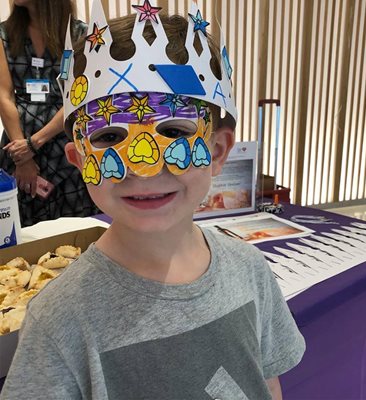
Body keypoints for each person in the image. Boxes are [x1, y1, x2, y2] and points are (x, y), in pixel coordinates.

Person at [0, 1, 305, 399]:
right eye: (109, 137)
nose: (143, 167)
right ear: (77, 159)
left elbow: (266, 384)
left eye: (175, 132)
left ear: (217, 152)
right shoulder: (58, 319)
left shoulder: (250, 270)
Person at [0, 0, 98, 227]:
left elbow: (78, 95)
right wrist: (22, 155)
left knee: (74, 224)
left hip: (65, 141)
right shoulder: (5, 34)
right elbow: (4, 96)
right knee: (23, 226)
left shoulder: (81, 35)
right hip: (18, 143)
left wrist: (33, 144)